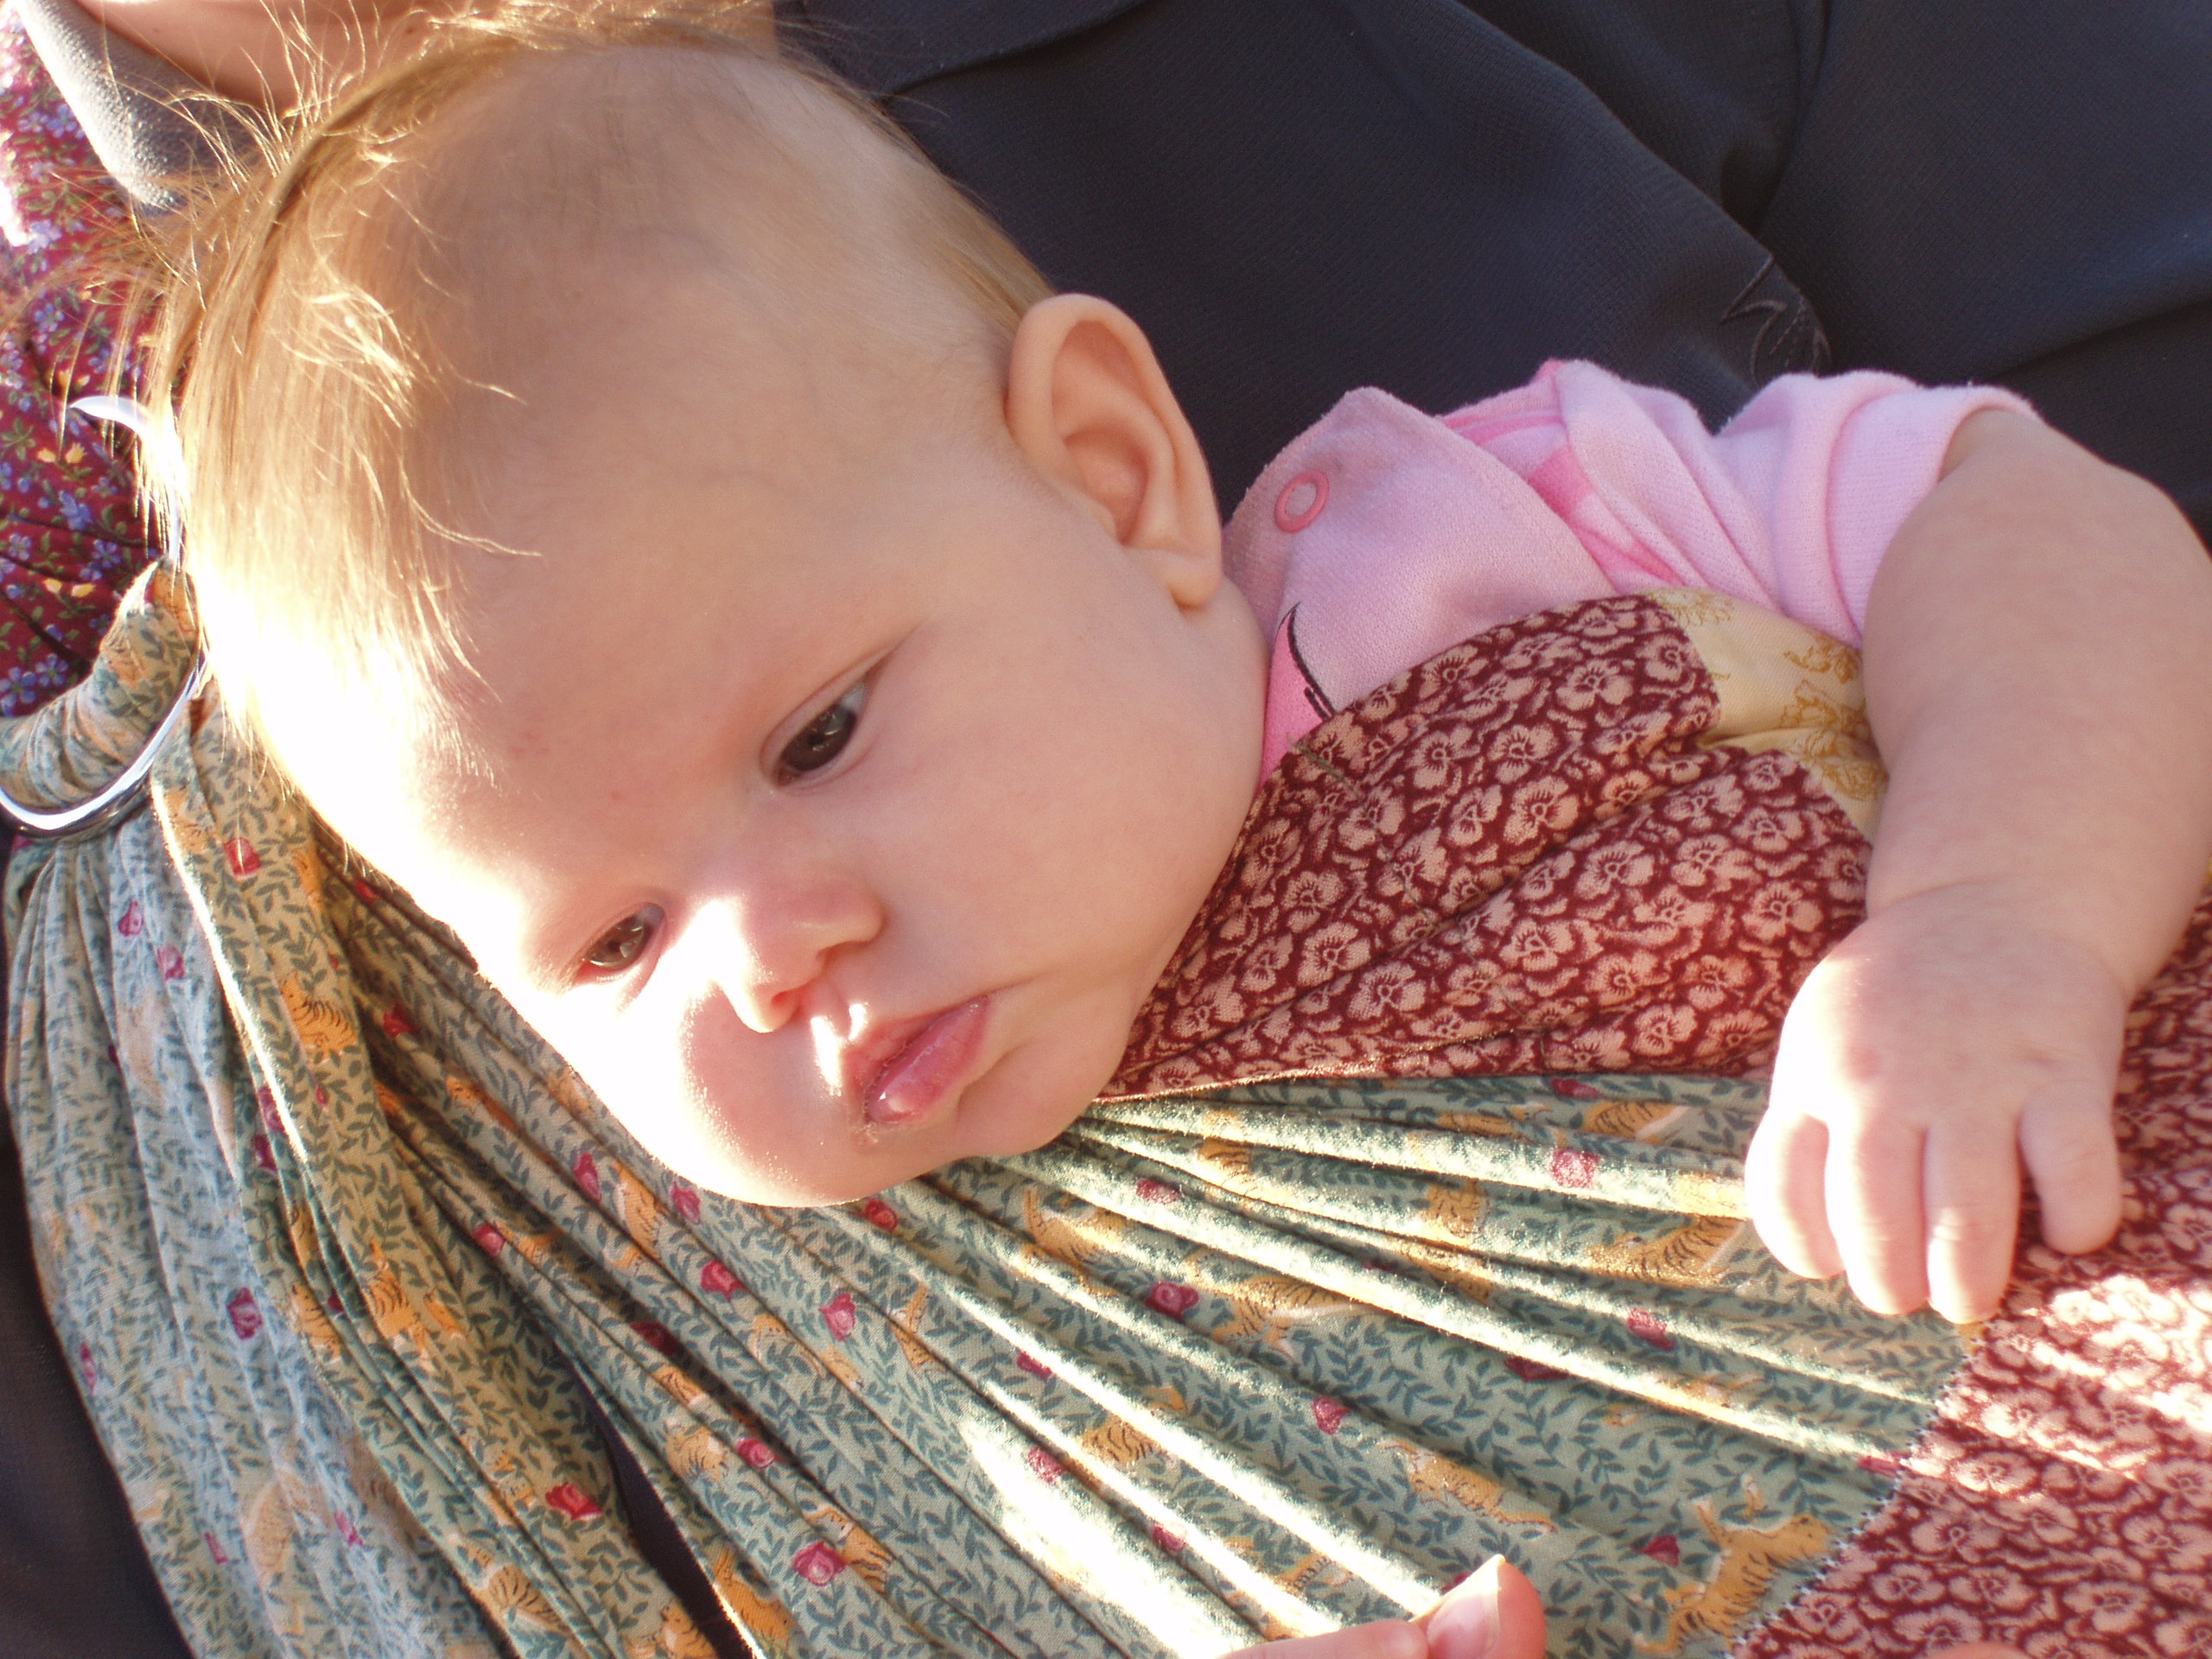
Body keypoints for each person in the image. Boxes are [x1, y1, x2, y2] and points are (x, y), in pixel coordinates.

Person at [6, 1, 2211, 1656]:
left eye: (818, 736)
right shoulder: (854, 1392)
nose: (758, 957)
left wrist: (1992, 913)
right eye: (610, 946)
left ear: (1116, 470)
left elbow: (2018, 517)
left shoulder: (1477, 532)